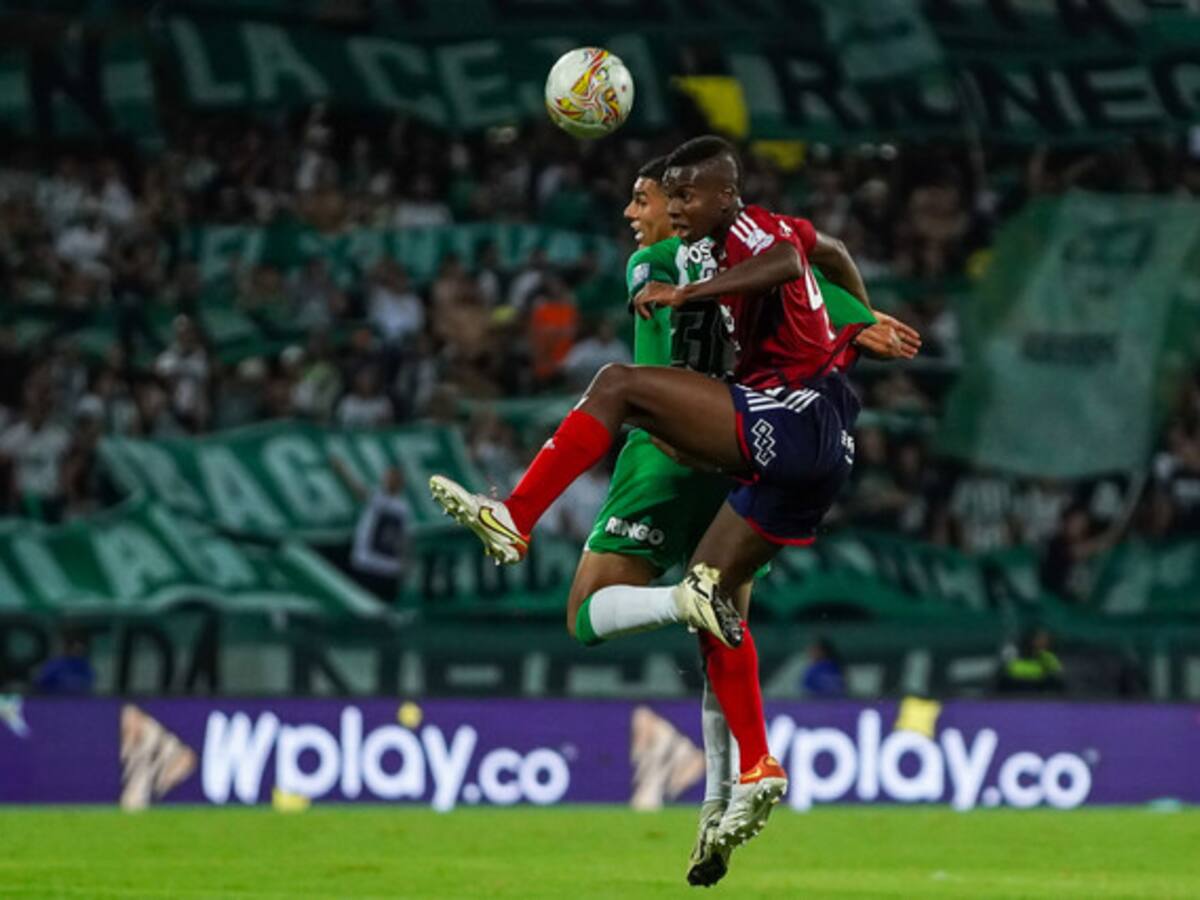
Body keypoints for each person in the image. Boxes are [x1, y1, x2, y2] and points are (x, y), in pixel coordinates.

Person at [430, 136, 920, 871]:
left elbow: (703, 302)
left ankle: (518, 517)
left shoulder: (667, 258)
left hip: (683, 451)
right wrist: (860, 315)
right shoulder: (764, 243)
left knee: (587, 610)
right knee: (720, 621)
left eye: (650, 199)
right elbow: (824, 262)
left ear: (701, 199)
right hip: (766, 451)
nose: (636, 214)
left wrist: (683, 295)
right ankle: (731, 794)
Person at [330, 458, 411, 600]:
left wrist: (342, 469)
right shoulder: (403, 508)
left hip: (371, 567)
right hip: (384, 569)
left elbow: (358, 490)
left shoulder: (386, 500)